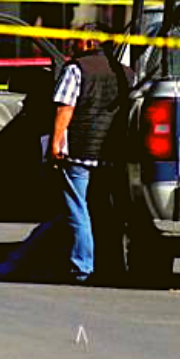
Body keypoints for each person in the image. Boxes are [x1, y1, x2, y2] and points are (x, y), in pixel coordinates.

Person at [48, 24, 134, 283]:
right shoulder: (127, 73)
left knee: (77, 208)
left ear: (89, 43)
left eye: (76, 40)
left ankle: (82, 267)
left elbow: (65, 109)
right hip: (111, 151)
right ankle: (111, 265)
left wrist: (55, 144)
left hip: (80, 150)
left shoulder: (76, 69)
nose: (71, 45)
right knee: (106, 210)